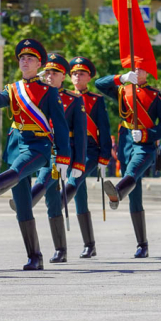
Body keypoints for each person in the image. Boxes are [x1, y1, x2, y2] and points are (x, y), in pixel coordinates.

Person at [0, 39, 70, 270]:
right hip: (15, 144)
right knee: (23, 206)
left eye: (30, 58)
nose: (25, 61)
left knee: (17, 170)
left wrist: (63, 159)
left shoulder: (49, 92)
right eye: (22, 58)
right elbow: (2, 101)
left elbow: (60, 126)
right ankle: (34, 256)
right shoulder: (13, 88)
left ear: (39, 63)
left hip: (38, 146)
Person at [11, 53, 85, 264]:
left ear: (64, 76)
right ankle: (60, 249)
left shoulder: (73, 99)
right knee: (53, 202)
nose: (50, 75)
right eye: (48, 71)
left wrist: (77, 163)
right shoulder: (36, 93)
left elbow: (79, 134)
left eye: (55, 72)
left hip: (58, 154)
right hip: (38, 147)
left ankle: (26, 203)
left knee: (44, 182)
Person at [97, 64, 161, 258]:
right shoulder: (123, 90)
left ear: (148, 72)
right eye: (134, 69)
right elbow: (99, 84)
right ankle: (142, 244)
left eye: (141, 69)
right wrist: (120, 78)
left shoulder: (157, 95)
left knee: (133, 170)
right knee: (135, 197)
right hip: (126, 143)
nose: (137, 72)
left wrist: (147, 134)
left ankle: (117, 193)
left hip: (145, 146)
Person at [60, 56, 112, 258]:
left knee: (74, 180)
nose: (76, 76)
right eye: (73, 73)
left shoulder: (95, 100)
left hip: (89, 151)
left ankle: (58, 202)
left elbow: (104, 129)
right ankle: (89, 245)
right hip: (69, 150)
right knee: (80, 198)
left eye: (81, 73)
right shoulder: (62, 97)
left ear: (89, 77)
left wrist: (104, 157)